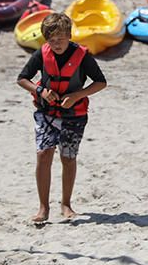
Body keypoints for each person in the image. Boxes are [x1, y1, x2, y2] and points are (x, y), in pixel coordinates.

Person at [16, 13, 107, 224]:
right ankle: (43, 207)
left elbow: (101, 82)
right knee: (43, 155)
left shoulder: (82, 56)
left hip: (74, 116)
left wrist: (77, 95)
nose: (56, 44)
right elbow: (22, 79)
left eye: (60, 39)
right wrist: (41, 91)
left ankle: (66, 204)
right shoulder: (42, 53)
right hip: (46, 113)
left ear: (69, 35)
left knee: (68, 158)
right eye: (51, 40)